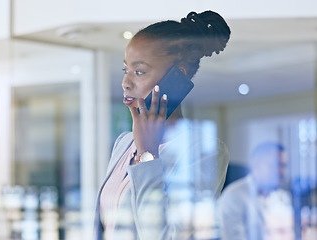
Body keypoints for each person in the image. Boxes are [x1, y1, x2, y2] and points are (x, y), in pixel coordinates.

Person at [94, 10, 231, 240]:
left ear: (177, 76)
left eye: (139, 71)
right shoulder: (124, 143)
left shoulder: (205, 152)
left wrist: (148, 155)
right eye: (125, 70)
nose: (125, 82)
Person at [217, 142, 294, 240]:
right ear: (257, 162)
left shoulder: (282, 197)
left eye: (284, 166)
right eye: (277, 165)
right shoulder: (233, 196)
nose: (282, 171)